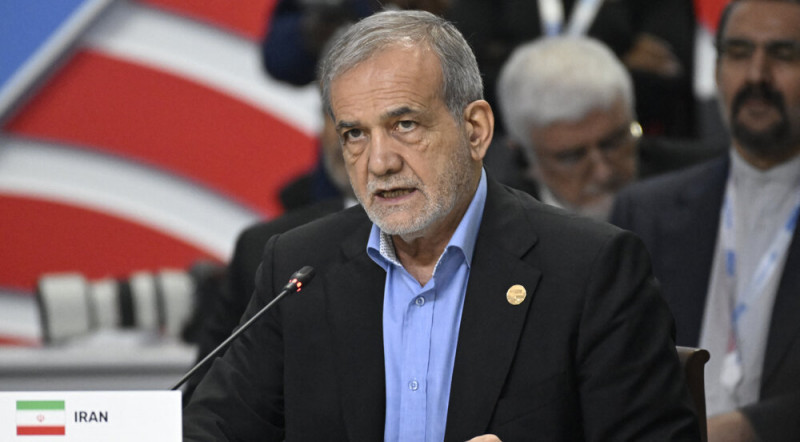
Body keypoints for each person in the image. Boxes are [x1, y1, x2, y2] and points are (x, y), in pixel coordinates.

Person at [183, 10, 699, 441]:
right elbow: (212, 430)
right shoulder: (299, 269)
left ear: (475, 130)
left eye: (404, 125)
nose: (379, 162)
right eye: (355, 134)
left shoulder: (590, 270)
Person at [611, 1, 800, 440]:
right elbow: (615, 373)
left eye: (783, 55)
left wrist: (750, 428)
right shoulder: (645, 212)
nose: (756, 76)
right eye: (738, 53)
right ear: (715, 71)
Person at [497, 36, 720, 221]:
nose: (604, 173)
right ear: (524, 157)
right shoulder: (494, 224)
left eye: (614, 143)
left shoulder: (707, 181)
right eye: (572, 156)